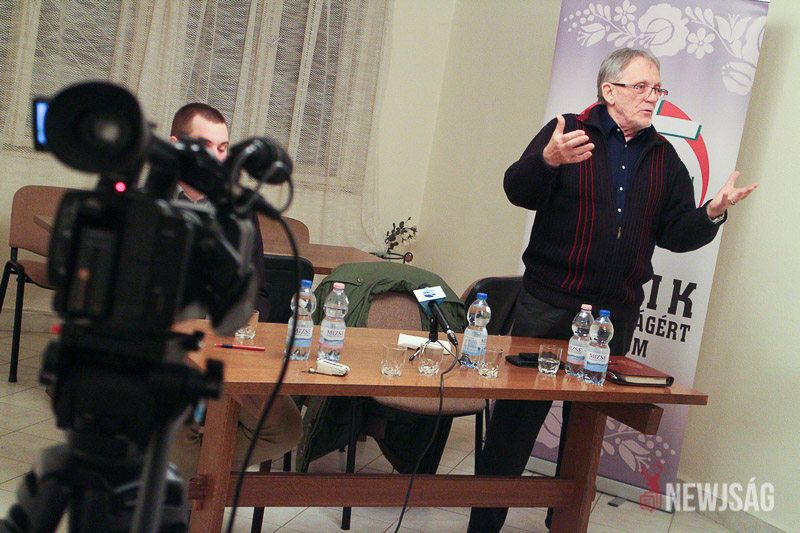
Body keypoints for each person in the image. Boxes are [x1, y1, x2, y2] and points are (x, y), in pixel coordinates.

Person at [467, 48, 757, 532]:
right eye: (641, 87)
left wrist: (711, 212)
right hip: (549, 303)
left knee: (585, 429)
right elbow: (518, 191)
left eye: (657, 88)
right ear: (609, 91)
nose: (652, 97)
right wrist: (548, 160)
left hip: (612, 317)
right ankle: (484, 525)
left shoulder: (664, 156)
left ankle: (561, 523)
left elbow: (675, 234)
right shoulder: (568, 131)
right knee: (515, 423)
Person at [167, 103, 302, 479]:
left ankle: (188, 476)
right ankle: (187, 481)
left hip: (224, 350)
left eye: (223, 148)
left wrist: (241, 331)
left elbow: (258, 291)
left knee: (286, 427)